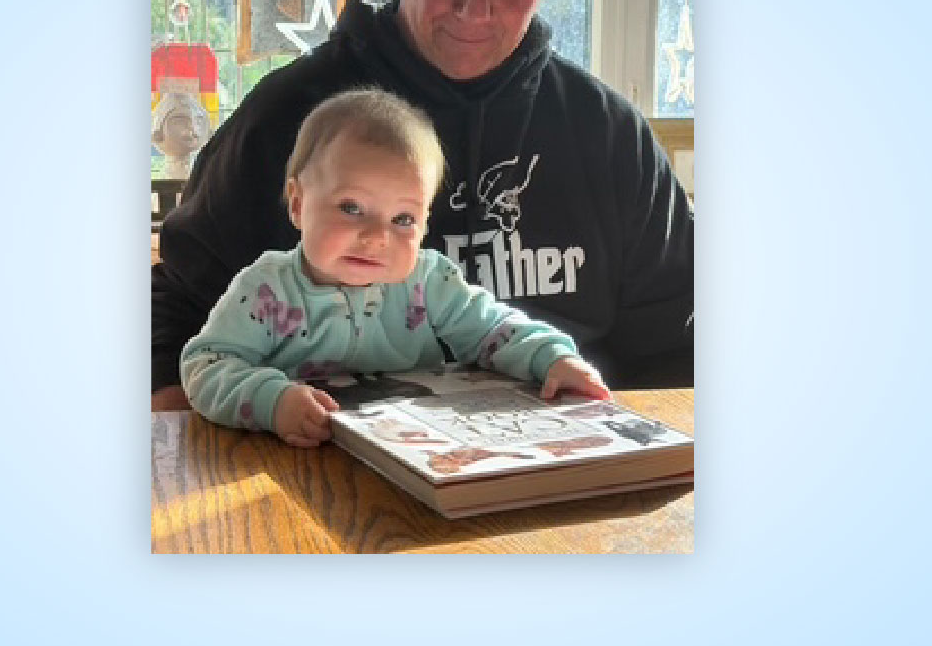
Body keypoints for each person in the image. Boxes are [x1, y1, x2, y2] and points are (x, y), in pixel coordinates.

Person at [153, 0, 692, 407]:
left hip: (567, 448)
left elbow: (682, 341)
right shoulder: (285, 119)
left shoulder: (610, 136)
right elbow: (172, 323)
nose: (475, 10)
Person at [181, 89, 610, 446]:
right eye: (352, 208)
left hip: (415, 454)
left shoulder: (428, 280)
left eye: (403, 219)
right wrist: (271, 401)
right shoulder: (267, 289)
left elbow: (492, 329)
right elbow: (206, 365)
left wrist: (551, 358)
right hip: (296, 460)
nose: (376, 237)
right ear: (297, 203)